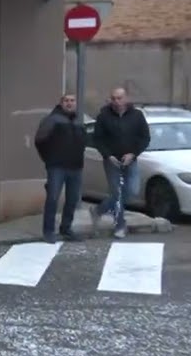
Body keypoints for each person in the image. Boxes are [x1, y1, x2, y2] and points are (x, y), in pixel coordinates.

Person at [90, 87, 151, 238]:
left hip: (130, 160)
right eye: (114, 98)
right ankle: (120, 225)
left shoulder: (137, 115)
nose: (117, 102)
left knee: (132, 190)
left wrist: (133, 153)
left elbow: (144, 138)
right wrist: (108, 155)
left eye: (119, 98)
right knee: (117, 193)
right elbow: (97, 139)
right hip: (112, 161)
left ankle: (100, 210)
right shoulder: (103, 116)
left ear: (126, 99)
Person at [34, 93, 87, 243]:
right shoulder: (52, 120)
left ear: (76, 103)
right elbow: (39, 141)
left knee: (72, 200)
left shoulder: (77, 122)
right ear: (61, 103)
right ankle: (48, 231)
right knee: (52, 198)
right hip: (57, 167)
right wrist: (49, 159)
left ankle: (66, 228)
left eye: (72, 101)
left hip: (75, 167)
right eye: (66, 101)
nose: (69, 103)